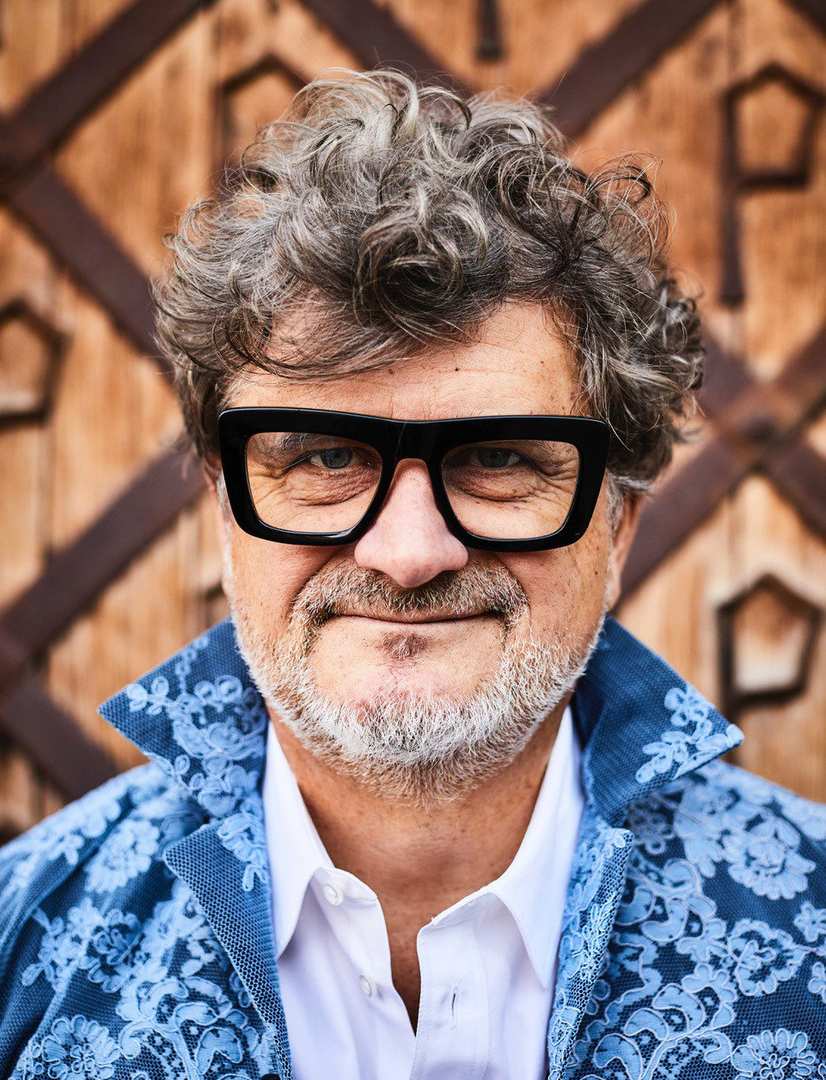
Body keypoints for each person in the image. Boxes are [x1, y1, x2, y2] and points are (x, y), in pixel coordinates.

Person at [1, 68, 824, 1080]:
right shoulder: (23, 939)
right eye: (325, 458)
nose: (408, 553)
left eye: (498, 459)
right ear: (224, 506)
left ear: (618, 527)